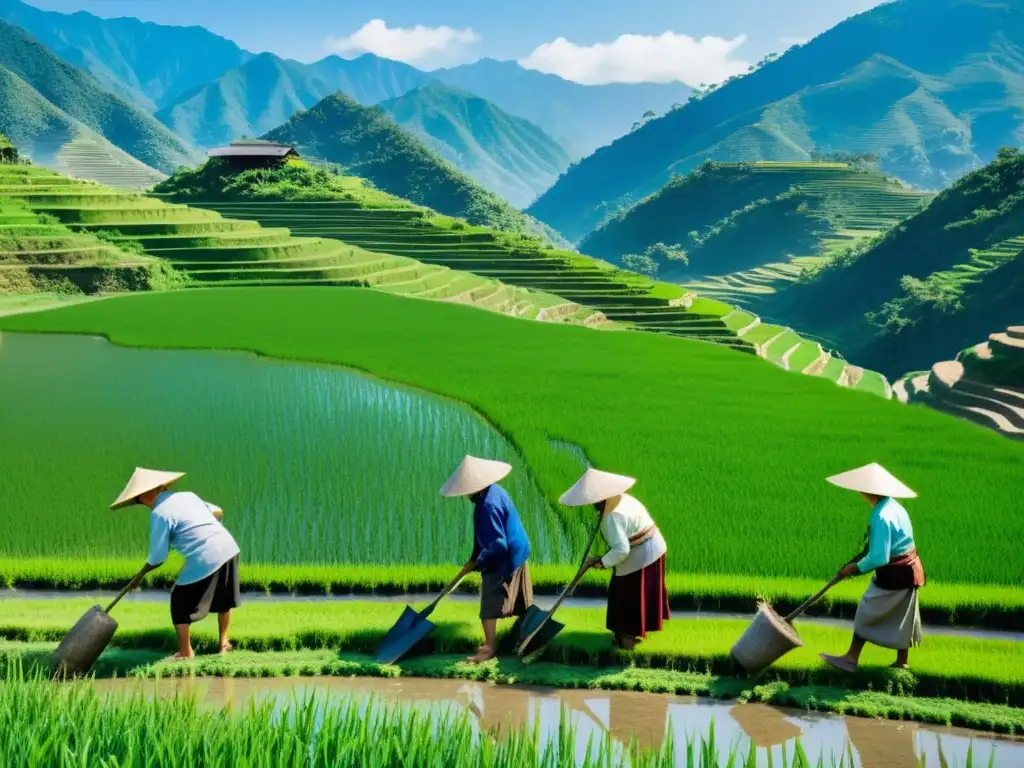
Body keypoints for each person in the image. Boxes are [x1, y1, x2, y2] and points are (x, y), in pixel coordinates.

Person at [110, 467, 241, 661]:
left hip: (207, 554)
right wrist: (200, 527)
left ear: (153, 490)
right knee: (223, 597)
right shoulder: (187, 496)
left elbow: (157, 558)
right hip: (228, 546)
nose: (140, 502)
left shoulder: (159, 514)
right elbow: (218, 511)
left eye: (139, 497)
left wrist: (137, 579)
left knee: (179, 600)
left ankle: (186, 652)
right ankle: (223, 643)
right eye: (137, 500)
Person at [819, 462, 925, 673]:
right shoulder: (895, 507)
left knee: (866, 610)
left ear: (869, 491)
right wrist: (854, 562)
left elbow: (878, 557)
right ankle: (902, 661)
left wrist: (855, 568)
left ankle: (851, 658)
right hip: (910, 571)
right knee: (903, 615)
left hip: (895, 574)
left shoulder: (881, 516)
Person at [559, 468, 669, 650]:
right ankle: (626, 635)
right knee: (626, 593)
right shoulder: (621, 498)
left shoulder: (611, 516)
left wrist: (602, 562)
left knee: (627, 595)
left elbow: (622, 548)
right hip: (649, 548)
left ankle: (628, 639)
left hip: (642, 554)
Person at [441, 455, 533, 663]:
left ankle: (489, 647)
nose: (465, 495)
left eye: (466, 489)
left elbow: (498, 545)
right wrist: (473, 558)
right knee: (522, 603)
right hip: (517, 548)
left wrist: (481, 561)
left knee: (488, 606)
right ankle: (524, 636)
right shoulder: (493, 493)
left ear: (476, 486)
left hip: (505, 554)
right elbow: (483, 537)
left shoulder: (487, 506)